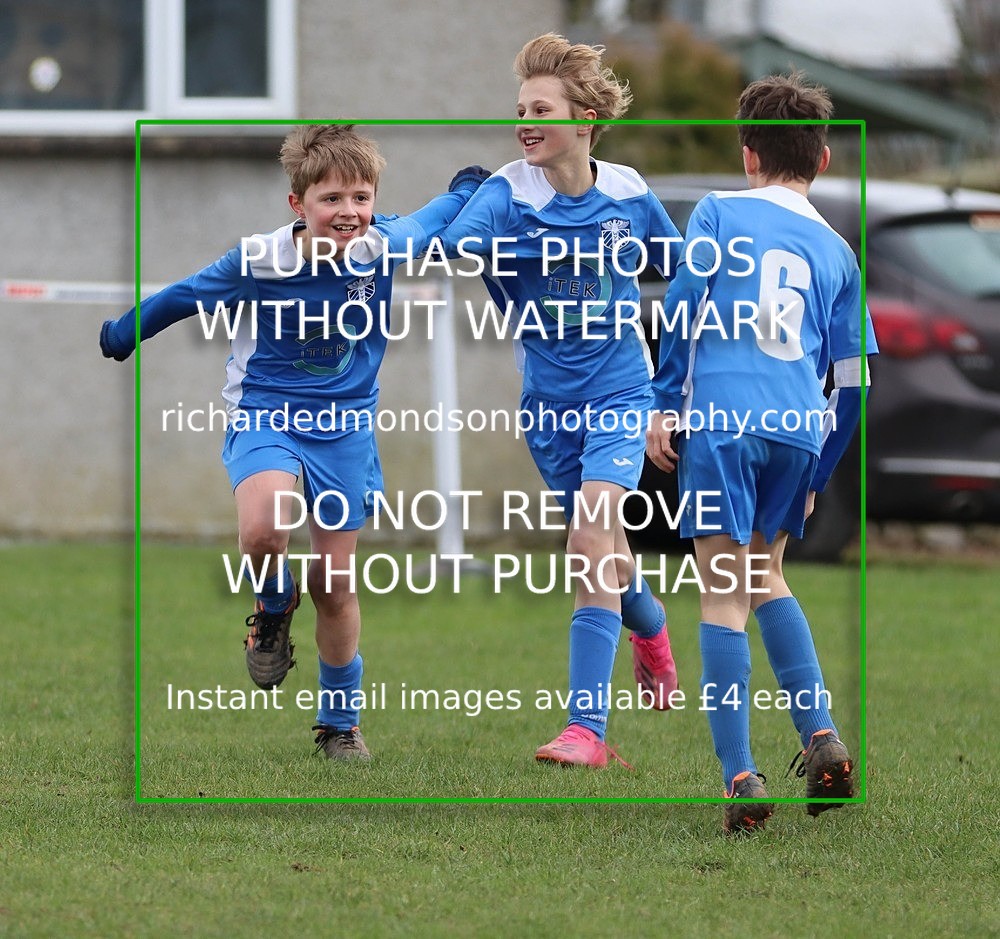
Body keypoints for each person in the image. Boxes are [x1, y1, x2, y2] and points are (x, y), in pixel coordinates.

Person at [101, 124, 488, 761]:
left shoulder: (383, 246)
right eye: (332, 199)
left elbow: (432, 218)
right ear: (298, 205)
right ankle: (274, 600)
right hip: (266, 417)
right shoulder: (258, 259)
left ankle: (340, 723)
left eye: (361, 198)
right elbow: (183, 297)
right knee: (262, 531)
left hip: (346, 430)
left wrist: (467, 188)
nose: (349, 213)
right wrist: (124, 333)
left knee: (335, 582)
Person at [440, 33, 681, 768]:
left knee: (587, 543)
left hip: (620, 393)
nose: (525, 122)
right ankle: (652, 623)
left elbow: (685, 279)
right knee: (607, 552)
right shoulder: (508, 192)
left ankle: (587, 731)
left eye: (539, 109)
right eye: (519, 110)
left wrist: (671, 395)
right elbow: (455, 243)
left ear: (584, 120)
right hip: (547, 408)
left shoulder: (631, 195)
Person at [645, 72, 876, 833]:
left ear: (747, 155)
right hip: (795, 429)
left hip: (723, 417)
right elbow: (854, 382)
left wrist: (660, 407)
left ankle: (741, 775)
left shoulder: (717, 211)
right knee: (765, 575)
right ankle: (819, 734)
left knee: (721, 596)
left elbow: (681, 309)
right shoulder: (839, 252)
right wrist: (818, 468)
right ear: (825, 159)